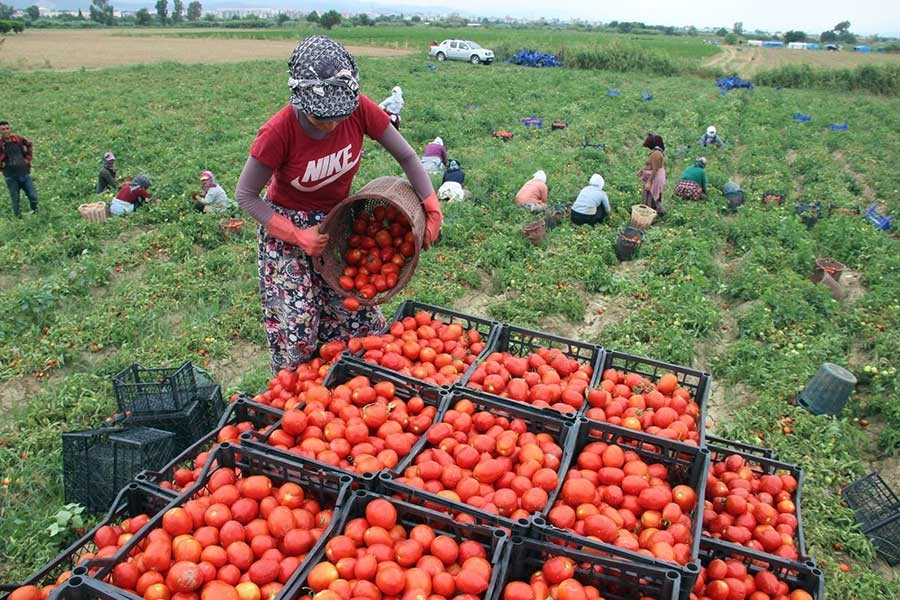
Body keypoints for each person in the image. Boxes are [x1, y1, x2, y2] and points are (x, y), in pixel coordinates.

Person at [234, 35, 442, 373]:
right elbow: (245, 196)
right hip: (287, 228)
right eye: (322, 118)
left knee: (357, 319)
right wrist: (296, 235)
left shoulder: (359, 109)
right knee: (298, 329)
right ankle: (298, 401)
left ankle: (346, 389)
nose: (332, 125)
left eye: (338, 116)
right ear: (300, 101)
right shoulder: (278, 132)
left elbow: (406, 155)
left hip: (339, 221)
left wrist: (432, 206)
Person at [0, 120, 37, 218]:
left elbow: (29, 145)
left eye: (7, 128)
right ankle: (18, 218)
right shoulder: (0, 145)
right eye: (3, 129)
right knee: (15, 200)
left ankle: (35, 212)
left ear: (10, 129)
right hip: (10, 177)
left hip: (24, 174)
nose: (6, 131)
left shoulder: (18, 139)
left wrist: (27, 159)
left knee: (33, 196)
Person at [638, 133, 666, 215]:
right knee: (653, 197)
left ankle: (650, 213)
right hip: (655, 176)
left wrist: (649, 182)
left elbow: (655, 170)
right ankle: (654, 212)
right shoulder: (656, 152)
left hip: (655, 178)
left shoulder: (656, 154)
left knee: (651, 196)